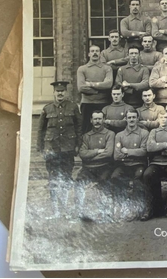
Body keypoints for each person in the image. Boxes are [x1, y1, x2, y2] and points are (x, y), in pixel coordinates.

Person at [37, 81, 82, 218]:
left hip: (67, 149)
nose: (60, 93)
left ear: (66, 92)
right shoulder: (47, 109)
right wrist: (40, 148)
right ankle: (56, 210)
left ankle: (66, 209)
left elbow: (79, 127)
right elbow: (41, 130)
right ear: (54, 93)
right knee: (53, 180)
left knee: (67, 179)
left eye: (62, 91)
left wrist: (78, 145)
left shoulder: (73, 107)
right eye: (58, 91)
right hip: (52, 150)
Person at [76, 110, 115, 217]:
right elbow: (82, 153)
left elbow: (108, 153)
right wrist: (97, 151)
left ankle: (105, 210)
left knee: (104, 182)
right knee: (79, 181)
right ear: (91, 120)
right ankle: (81, 211)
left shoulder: (110, 134)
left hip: (104, 167)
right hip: (88, 168)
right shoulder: (86, 136)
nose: (97, 121)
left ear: (103, 120)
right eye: (95, 119)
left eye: (99, 119)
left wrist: (90, 156)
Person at [143, 110, 167, 218]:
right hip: (156, 162)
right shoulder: (153, 132)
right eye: (161, 118)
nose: (163, 120)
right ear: (158, 119)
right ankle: (154, 207)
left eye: (166, 117)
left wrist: (159, 148)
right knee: (148, 174)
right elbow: (150, 148)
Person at [77, 44, 113, 133]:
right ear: (89, 54)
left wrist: (91, 84)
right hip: (87, 103)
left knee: (104, 129)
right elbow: (81, 88)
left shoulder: (107, 68)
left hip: (103, 103)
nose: (95, 53)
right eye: (92, 51)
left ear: (100, 54)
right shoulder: (82, 69)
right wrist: (99, 90)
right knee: (86, 128)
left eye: (97, 51)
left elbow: (108, 84)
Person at [112, 109, 149, 182]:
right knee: (114, 177)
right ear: (125, 119)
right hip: (124, 165)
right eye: (129, 117)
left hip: (139, 164)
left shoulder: (144, 133)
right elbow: (117, 156)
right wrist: (135, 155)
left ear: (137, 118)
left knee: (139, 176)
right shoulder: (119, 135)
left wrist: (127, 151)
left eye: (134, 117)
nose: (131, 119)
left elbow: (144, 151)